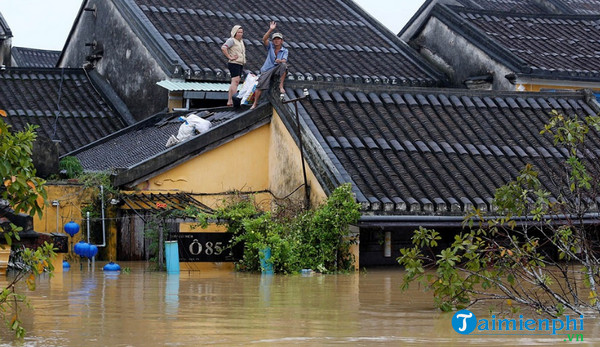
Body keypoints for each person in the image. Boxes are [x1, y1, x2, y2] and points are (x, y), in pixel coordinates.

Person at [250, 21, 288, 109]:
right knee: (260, 85)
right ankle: (255, 103)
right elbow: (264, 39)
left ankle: (280, 85)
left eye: (278, 39)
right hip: (267, 69)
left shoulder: (284, 50)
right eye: (275, 39)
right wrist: (270, 29)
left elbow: (284, 60)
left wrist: (280, 61)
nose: (276, 41)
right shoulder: (270, 46)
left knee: (284, 66)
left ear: (281, 41)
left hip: (277, 68)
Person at [221, 25, 246, 107]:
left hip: (240, 63)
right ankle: (234, 100)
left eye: (241, 32)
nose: (240, 34)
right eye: (238, 32)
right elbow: (224, 48)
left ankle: (230, 100)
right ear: (235, 32)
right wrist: (229, 57)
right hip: (234, 63)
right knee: (235, 81)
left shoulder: (241, 41)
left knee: (235, 81)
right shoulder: (232, 40)